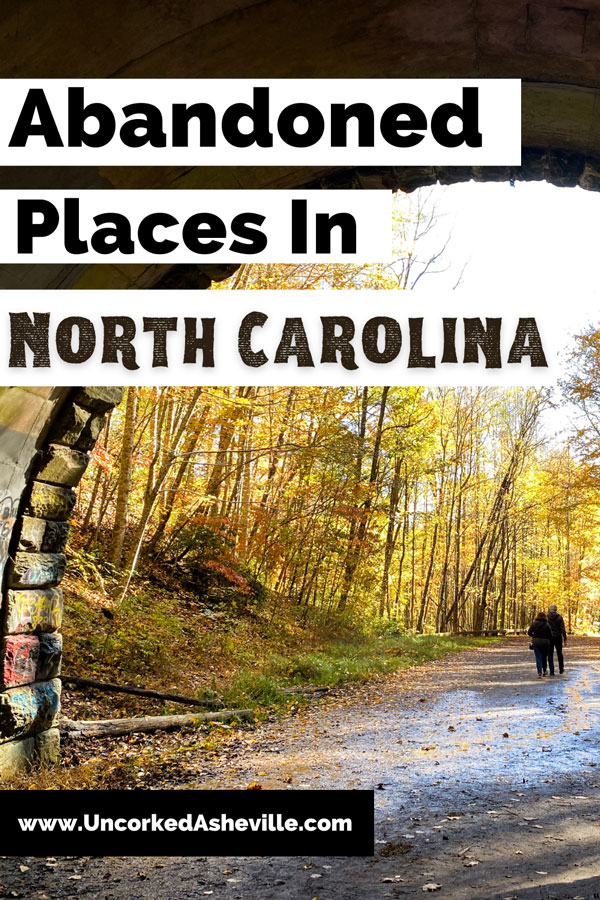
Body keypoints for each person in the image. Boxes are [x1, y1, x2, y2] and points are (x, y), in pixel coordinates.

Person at [527, 611, 553, 677]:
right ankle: (544, 670)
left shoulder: (534, 624)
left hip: (536, 642)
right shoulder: (547, 624)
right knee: (544, 657)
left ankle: (539, 672)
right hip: (545, 642)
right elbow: (550, 634)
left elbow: (529, 632)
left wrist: (534, 636)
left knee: (538, 657)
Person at [547, 603, 568, 674]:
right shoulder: (559, 617)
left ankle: (551, 671)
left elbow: (545, 627)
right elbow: (562, 628)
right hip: (558, 637)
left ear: (550, 609)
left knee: (550, 653)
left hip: (549, 637)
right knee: (559, 653)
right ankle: (561, 669)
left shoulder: (547, 617)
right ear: (556, 609)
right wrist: (565, 638)